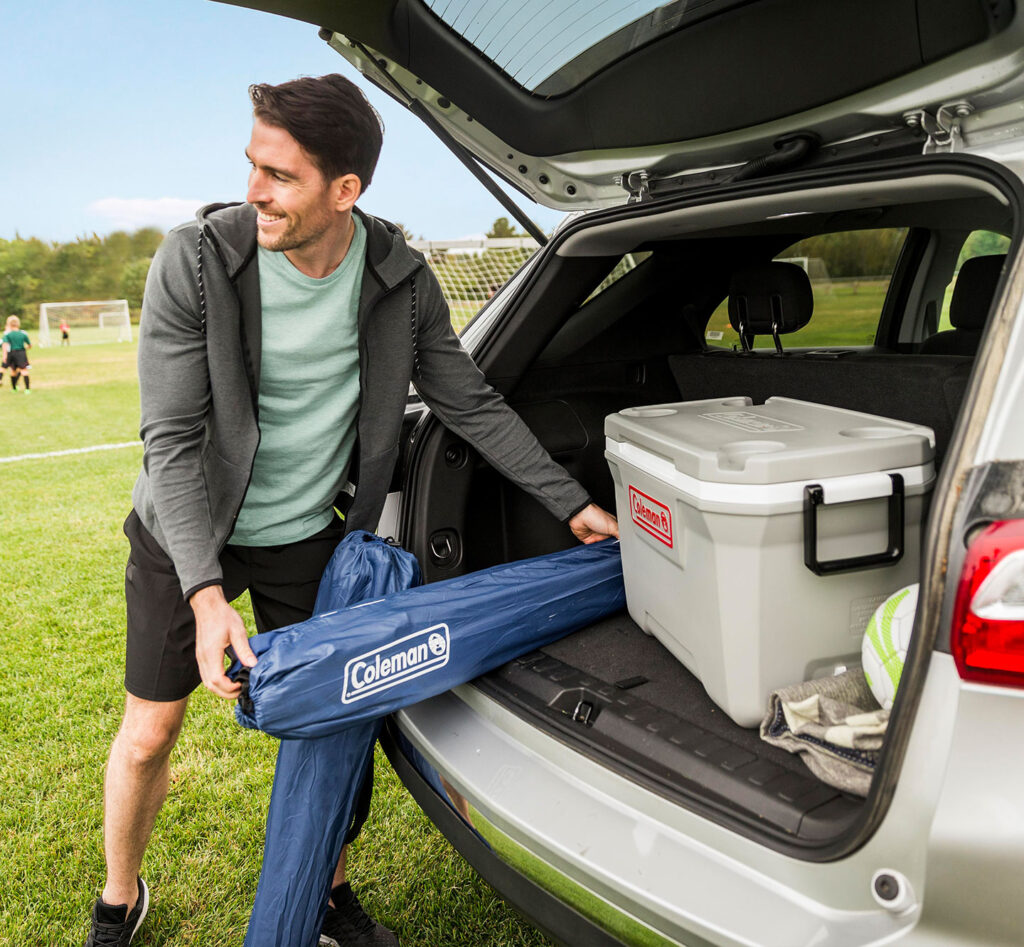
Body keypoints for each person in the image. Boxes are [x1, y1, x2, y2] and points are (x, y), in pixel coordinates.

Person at [83, 74, 618, 947]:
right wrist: (205, 595)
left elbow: (468, 403)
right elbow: (171, 442)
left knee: (334, 726)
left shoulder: (401, 280)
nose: (254, 189)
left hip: (309, 539)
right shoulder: (196, 261)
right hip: (186, 536)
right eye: (252, 165)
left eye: (280, 175)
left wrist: (569, 502)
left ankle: (328, 893)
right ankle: (118, 897)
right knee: (149, 733)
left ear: (346, 191)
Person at [2, 316, 31, 392]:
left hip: (11, 353)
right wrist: (26, 348)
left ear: (9, 325)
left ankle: (14, 388)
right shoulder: (23, 334)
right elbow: (29, 345)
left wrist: (4, 355)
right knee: (24, 371)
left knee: (13, 371)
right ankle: (27, 389)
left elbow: (4, 344)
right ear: (18, 324)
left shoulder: (8, 334)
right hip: (21, 353)